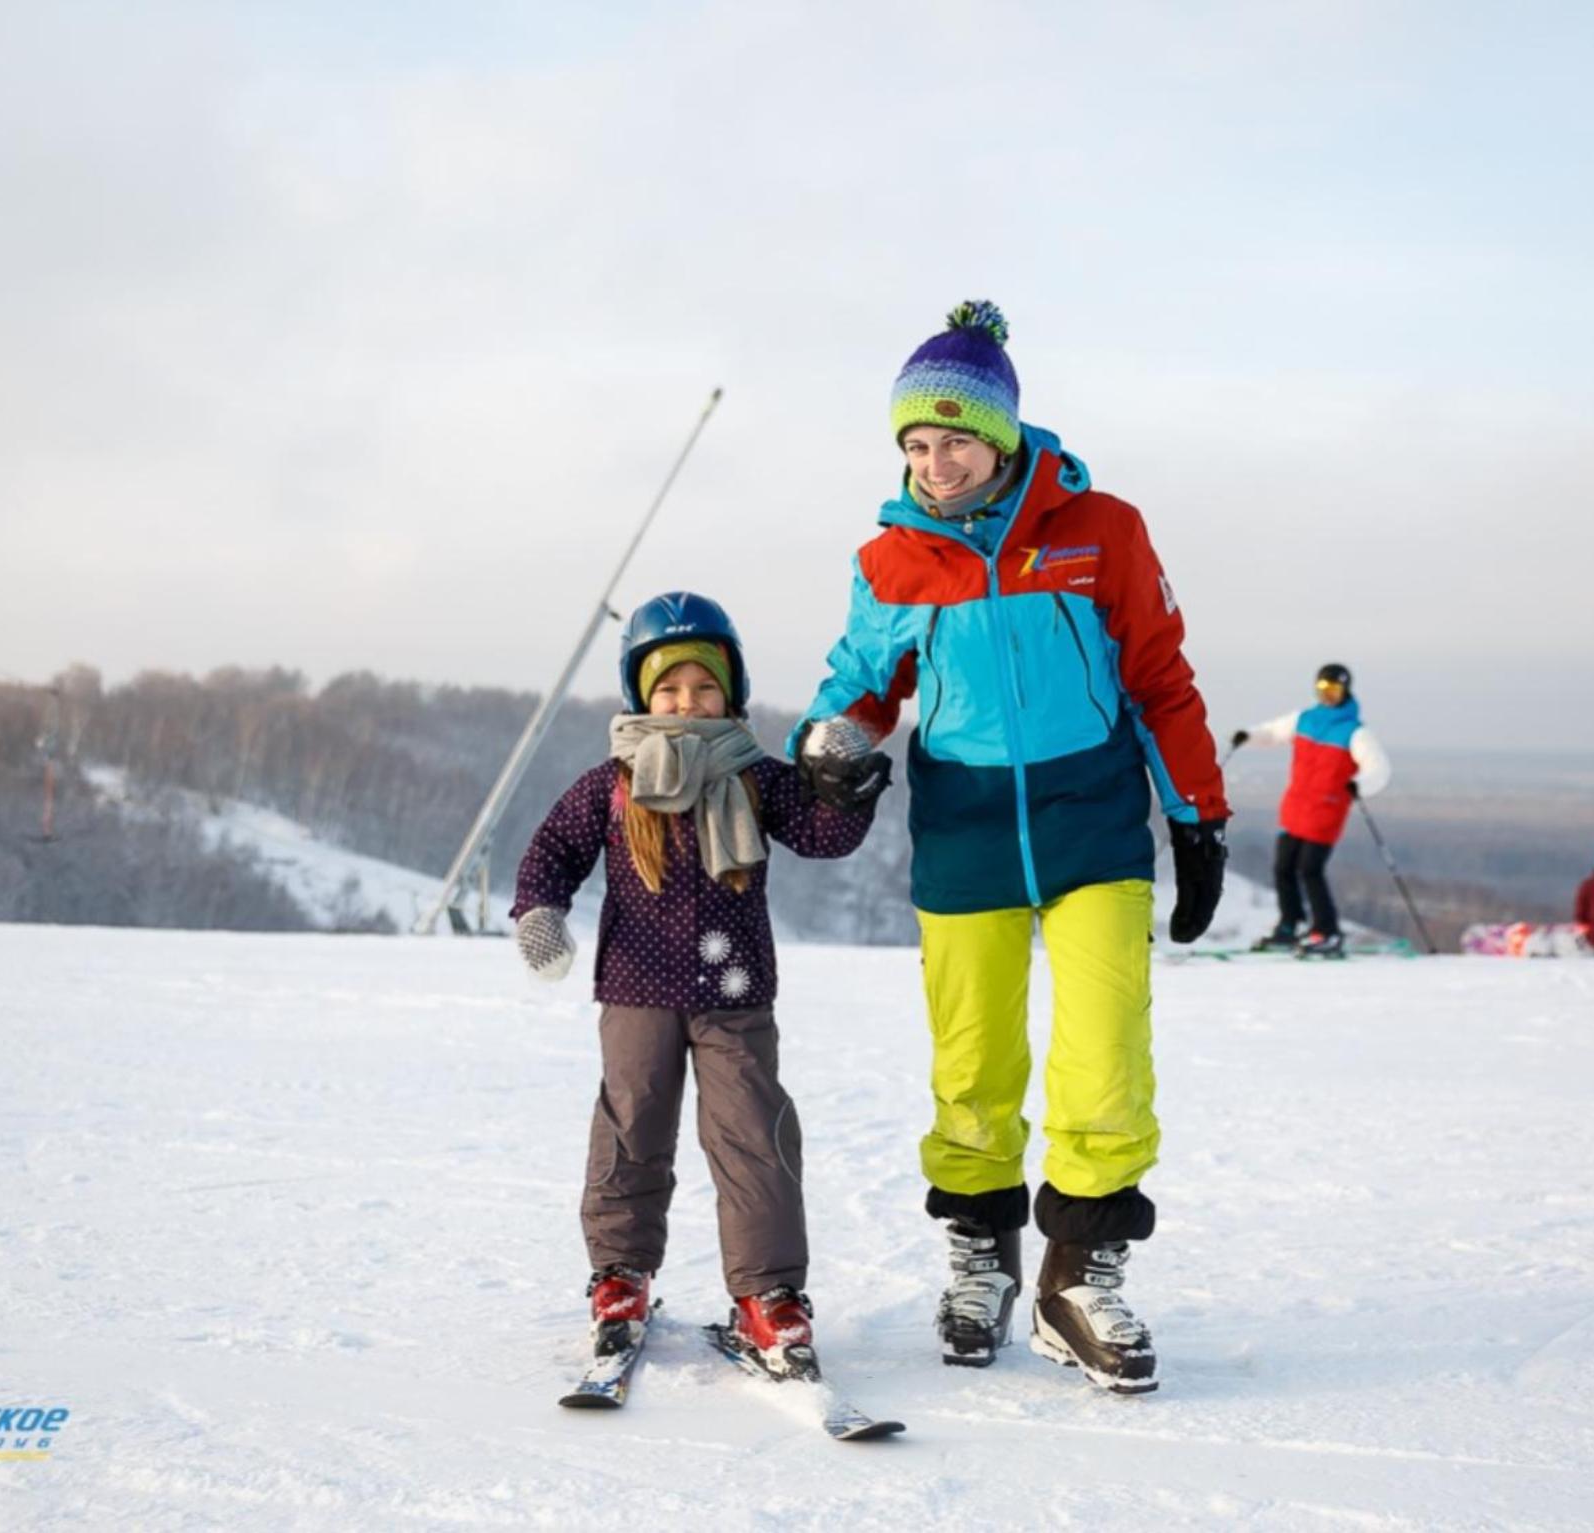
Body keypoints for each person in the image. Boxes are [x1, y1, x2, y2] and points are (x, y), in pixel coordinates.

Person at [792, 301, 1230, 1395]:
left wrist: (1196, 814)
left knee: (1104, 1055)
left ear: (1001, 434)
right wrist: (827, 738)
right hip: (965, 829)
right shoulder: (891, 561)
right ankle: (980, 1252)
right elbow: (858, 682)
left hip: (1091, 823)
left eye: (953, 438)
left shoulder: (1101, 531)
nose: (934, 463)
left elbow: (1159, 679)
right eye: (914, 444)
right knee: (972, 1063)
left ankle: (1078, 1275)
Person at [509, 591, 882, 1380]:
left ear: (730, 691)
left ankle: (768, 1294)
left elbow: (821, 835)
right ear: (642, 692)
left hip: (735, 994)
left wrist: (844, 786)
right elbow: (551, 852)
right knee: (631, 1128)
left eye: (704, 687)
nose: (688, 701)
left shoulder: (755, 778)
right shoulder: (611, 784)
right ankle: (620, 1276)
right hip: (636, 990)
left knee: (754, 1137)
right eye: (670, 687)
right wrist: (540, 912)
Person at [1231, 662, 1391, 959]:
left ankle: (1327, 931)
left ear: (1345, 690)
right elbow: (1272, 732)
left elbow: (1378, 769)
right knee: (1283, 868)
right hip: (1295, 807)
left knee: (1309, 869)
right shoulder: (1305, 719)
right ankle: (1290, 925)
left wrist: (1360, 784)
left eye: (1334, 690)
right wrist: (1247, 736)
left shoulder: (1354, 732)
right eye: (1323, 689)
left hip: (1326, 812)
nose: (1328, 696)